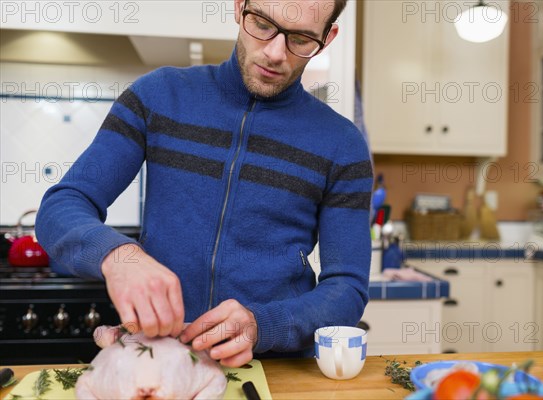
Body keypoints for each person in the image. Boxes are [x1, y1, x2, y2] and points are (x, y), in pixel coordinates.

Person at [36, 0, 373, 368]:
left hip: (274, 370)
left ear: (328, 37)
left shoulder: (343, 144)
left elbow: (347, 290)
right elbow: (62, 206)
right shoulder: (157, 96)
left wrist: (264, 326)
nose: (276, 53)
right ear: (239, 7)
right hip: (158, 360)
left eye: (302, 39)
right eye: (261, 24)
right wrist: (117, 255)